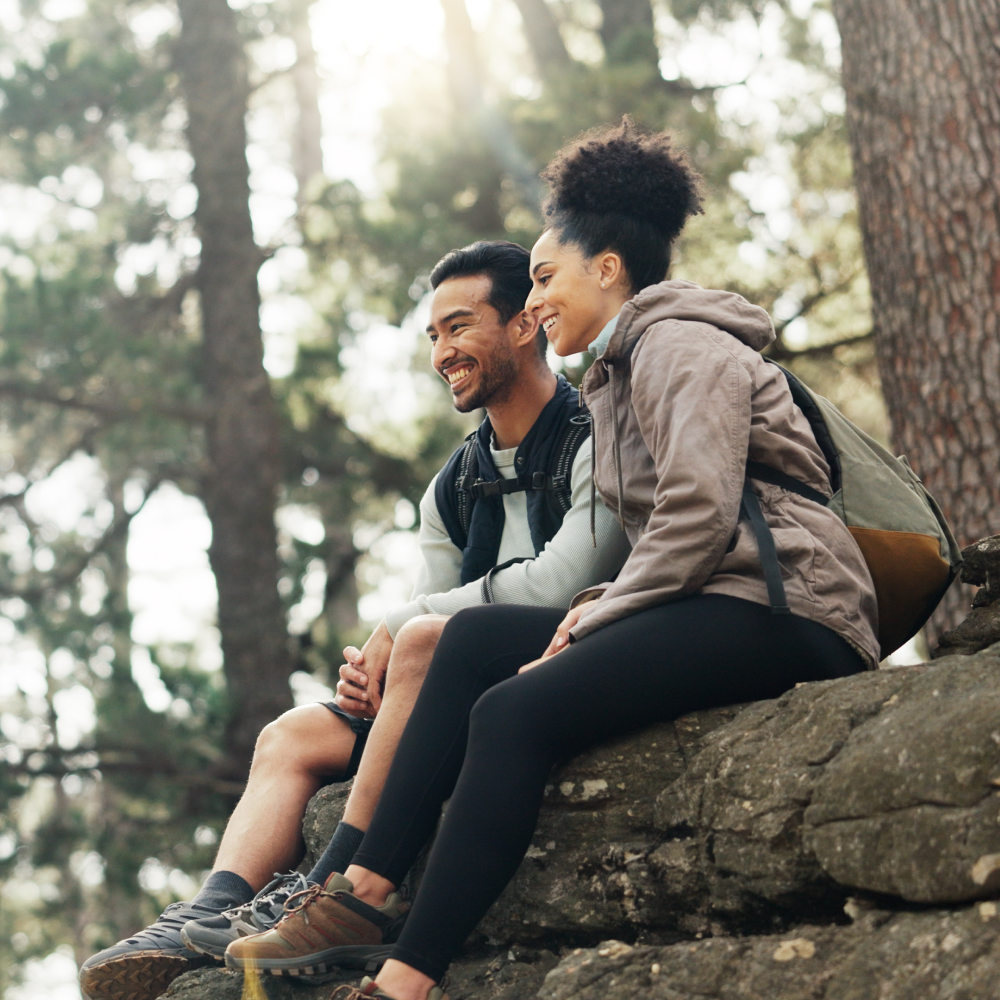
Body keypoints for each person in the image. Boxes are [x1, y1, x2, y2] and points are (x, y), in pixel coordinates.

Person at [225, 118, 880, 1000]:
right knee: (463, 645)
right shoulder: (617, 372)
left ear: (607, 268)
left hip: (787, 604)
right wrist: (603, 605)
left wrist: (597, 610)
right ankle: (361, 896)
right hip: (724, 597)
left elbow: (695, 515)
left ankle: (403, 984)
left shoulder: (682, 345)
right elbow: (667, 539)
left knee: (511, 714)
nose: (533, 303)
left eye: (543, 277)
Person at [78, 240, 630, 1000]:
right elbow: (426, 615)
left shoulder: (594, 432)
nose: (443, 352)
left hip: (560, 659)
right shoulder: (456, 483)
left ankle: (334, 890)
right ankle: (205, 915)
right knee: (290, 734)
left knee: (428, 636)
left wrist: (402, 629)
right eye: (433, 335)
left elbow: (570, 578)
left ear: (524, 325)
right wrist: (373, 672)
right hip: (450, 682)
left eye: (460, 327)